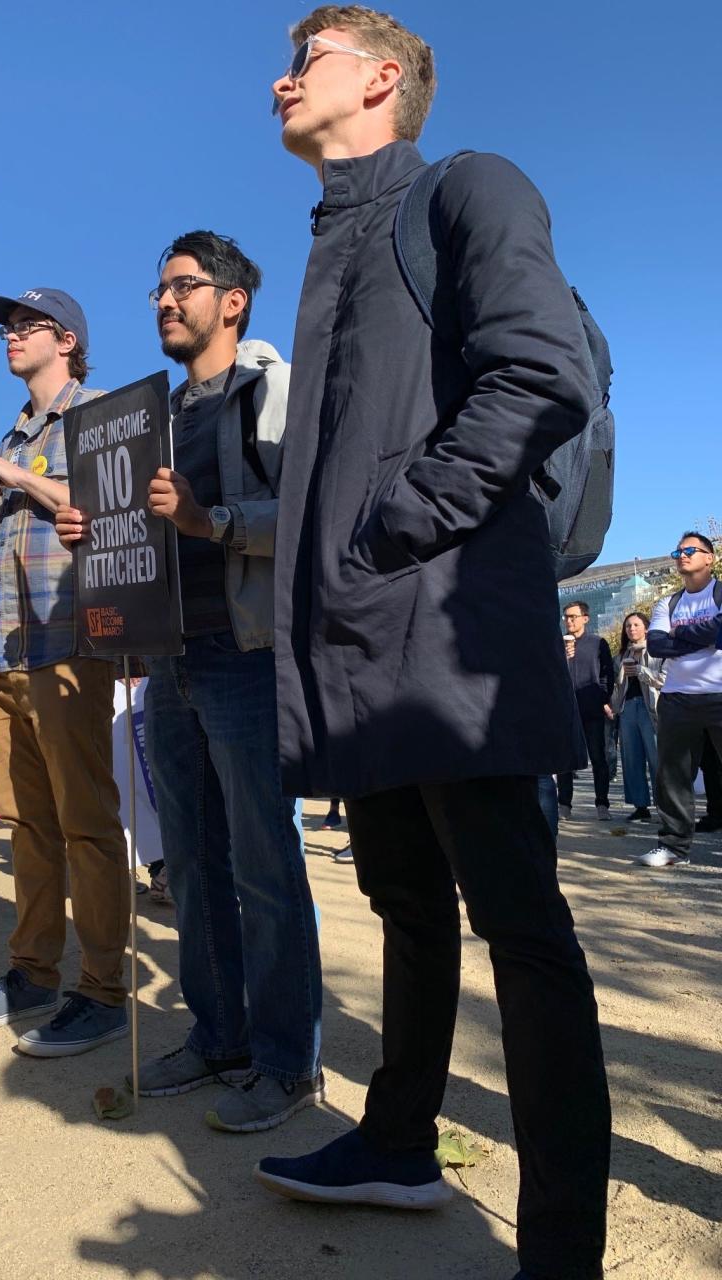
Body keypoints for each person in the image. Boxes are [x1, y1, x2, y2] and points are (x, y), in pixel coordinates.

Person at [257, 10, 610, 1280]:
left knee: (520, 918)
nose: (283, 74)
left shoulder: (468, 186)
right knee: (403, 897)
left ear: (385, 79)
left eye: (313, 52)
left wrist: (395, 523)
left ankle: (564, 1245)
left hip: (452, 623)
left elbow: (541, 372)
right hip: (363, 631)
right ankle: (401, 1137)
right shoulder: (335, 234)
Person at [57, 230, 324, 1132]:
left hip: (249, 657)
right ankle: (220, 1037)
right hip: (170, 661)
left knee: (265, 863)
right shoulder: (152, 419)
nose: (164, 302)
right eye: (158, 290)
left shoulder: (277, 390)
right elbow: (140, 534)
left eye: (182, 286)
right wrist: (93, 543)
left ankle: (289, 1063)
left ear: (232, 301)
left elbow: (316, 511)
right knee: (195, 867)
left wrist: (216, 522)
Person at [0, 287, 130, 1059]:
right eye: (5, 329)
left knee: (87, 824)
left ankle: (103, 990)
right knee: (27, 825)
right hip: (5, 655)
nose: (10, 338)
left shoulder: (100, 415)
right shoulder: (15, 433)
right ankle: (32, 971)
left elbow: (113, 504)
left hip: (71, 648)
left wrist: (14, 480)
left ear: (66, 338)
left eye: (24, 327)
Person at [637, 532, 722, 867]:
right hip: (676, 698)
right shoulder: (667, 603)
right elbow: (656, 645)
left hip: (718, 694)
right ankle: (674, 847)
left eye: (690, 550)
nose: (682, 556)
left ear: (710, 558)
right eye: (678, 551)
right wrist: (707, 636)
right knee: (672, 775)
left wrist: (681, 633)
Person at [557, 602, 615, 820]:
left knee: (598, 757)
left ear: (585, 618)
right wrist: (564, 656)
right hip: (566, 710)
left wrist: (602, 698)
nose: (569, 621)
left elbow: (607, 673)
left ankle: (602, 804)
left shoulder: (597, 643)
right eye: (565, 617)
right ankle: (564, 804)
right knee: (565, 759)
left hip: (591, 709)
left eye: (573, 616)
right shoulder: (557, 643)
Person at [610, 612, 663, 822]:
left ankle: (665, 805)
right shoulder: (621, 655)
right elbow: (617, 687)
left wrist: (641, 670)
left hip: (651, 707)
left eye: (636, 625)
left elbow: (663, 680)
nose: (631, 629)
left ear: (646, 628)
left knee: (656, 757)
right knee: (631, 759)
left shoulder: (657, 651)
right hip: (628, 708)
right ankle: (640, 805)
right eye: (628, 626)